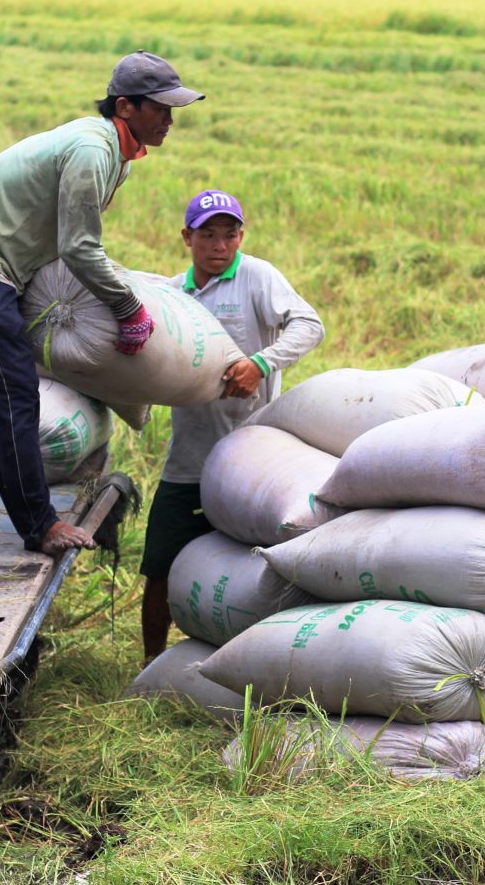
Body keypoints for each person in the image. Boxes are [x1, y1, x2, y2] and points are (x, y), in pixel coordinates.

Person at [0, 52, 204, 556]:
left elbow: (68, 237)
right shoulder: (93, 151)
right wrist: (126, 307)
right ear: (125, 107)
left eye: (174, 109)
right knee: (11, 391)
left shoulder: (110, 148)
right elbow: (80, 247)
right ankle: (39, 523)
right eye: (161, 109)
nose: (170, 119)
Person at [139, 189, 325, 662]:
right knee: (159, 566)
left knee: (257, 570)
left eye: (230, 234)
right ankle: (151, 665)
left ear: (241, 237)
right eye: (208, 235)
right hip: (190, 459)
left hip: (253, 460)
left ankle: (254, 662)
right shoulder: (172, 296)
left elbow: (309, 324)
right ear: (187, 238)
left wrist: (261, 363)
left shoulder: (257, 277)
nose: (220, 245)